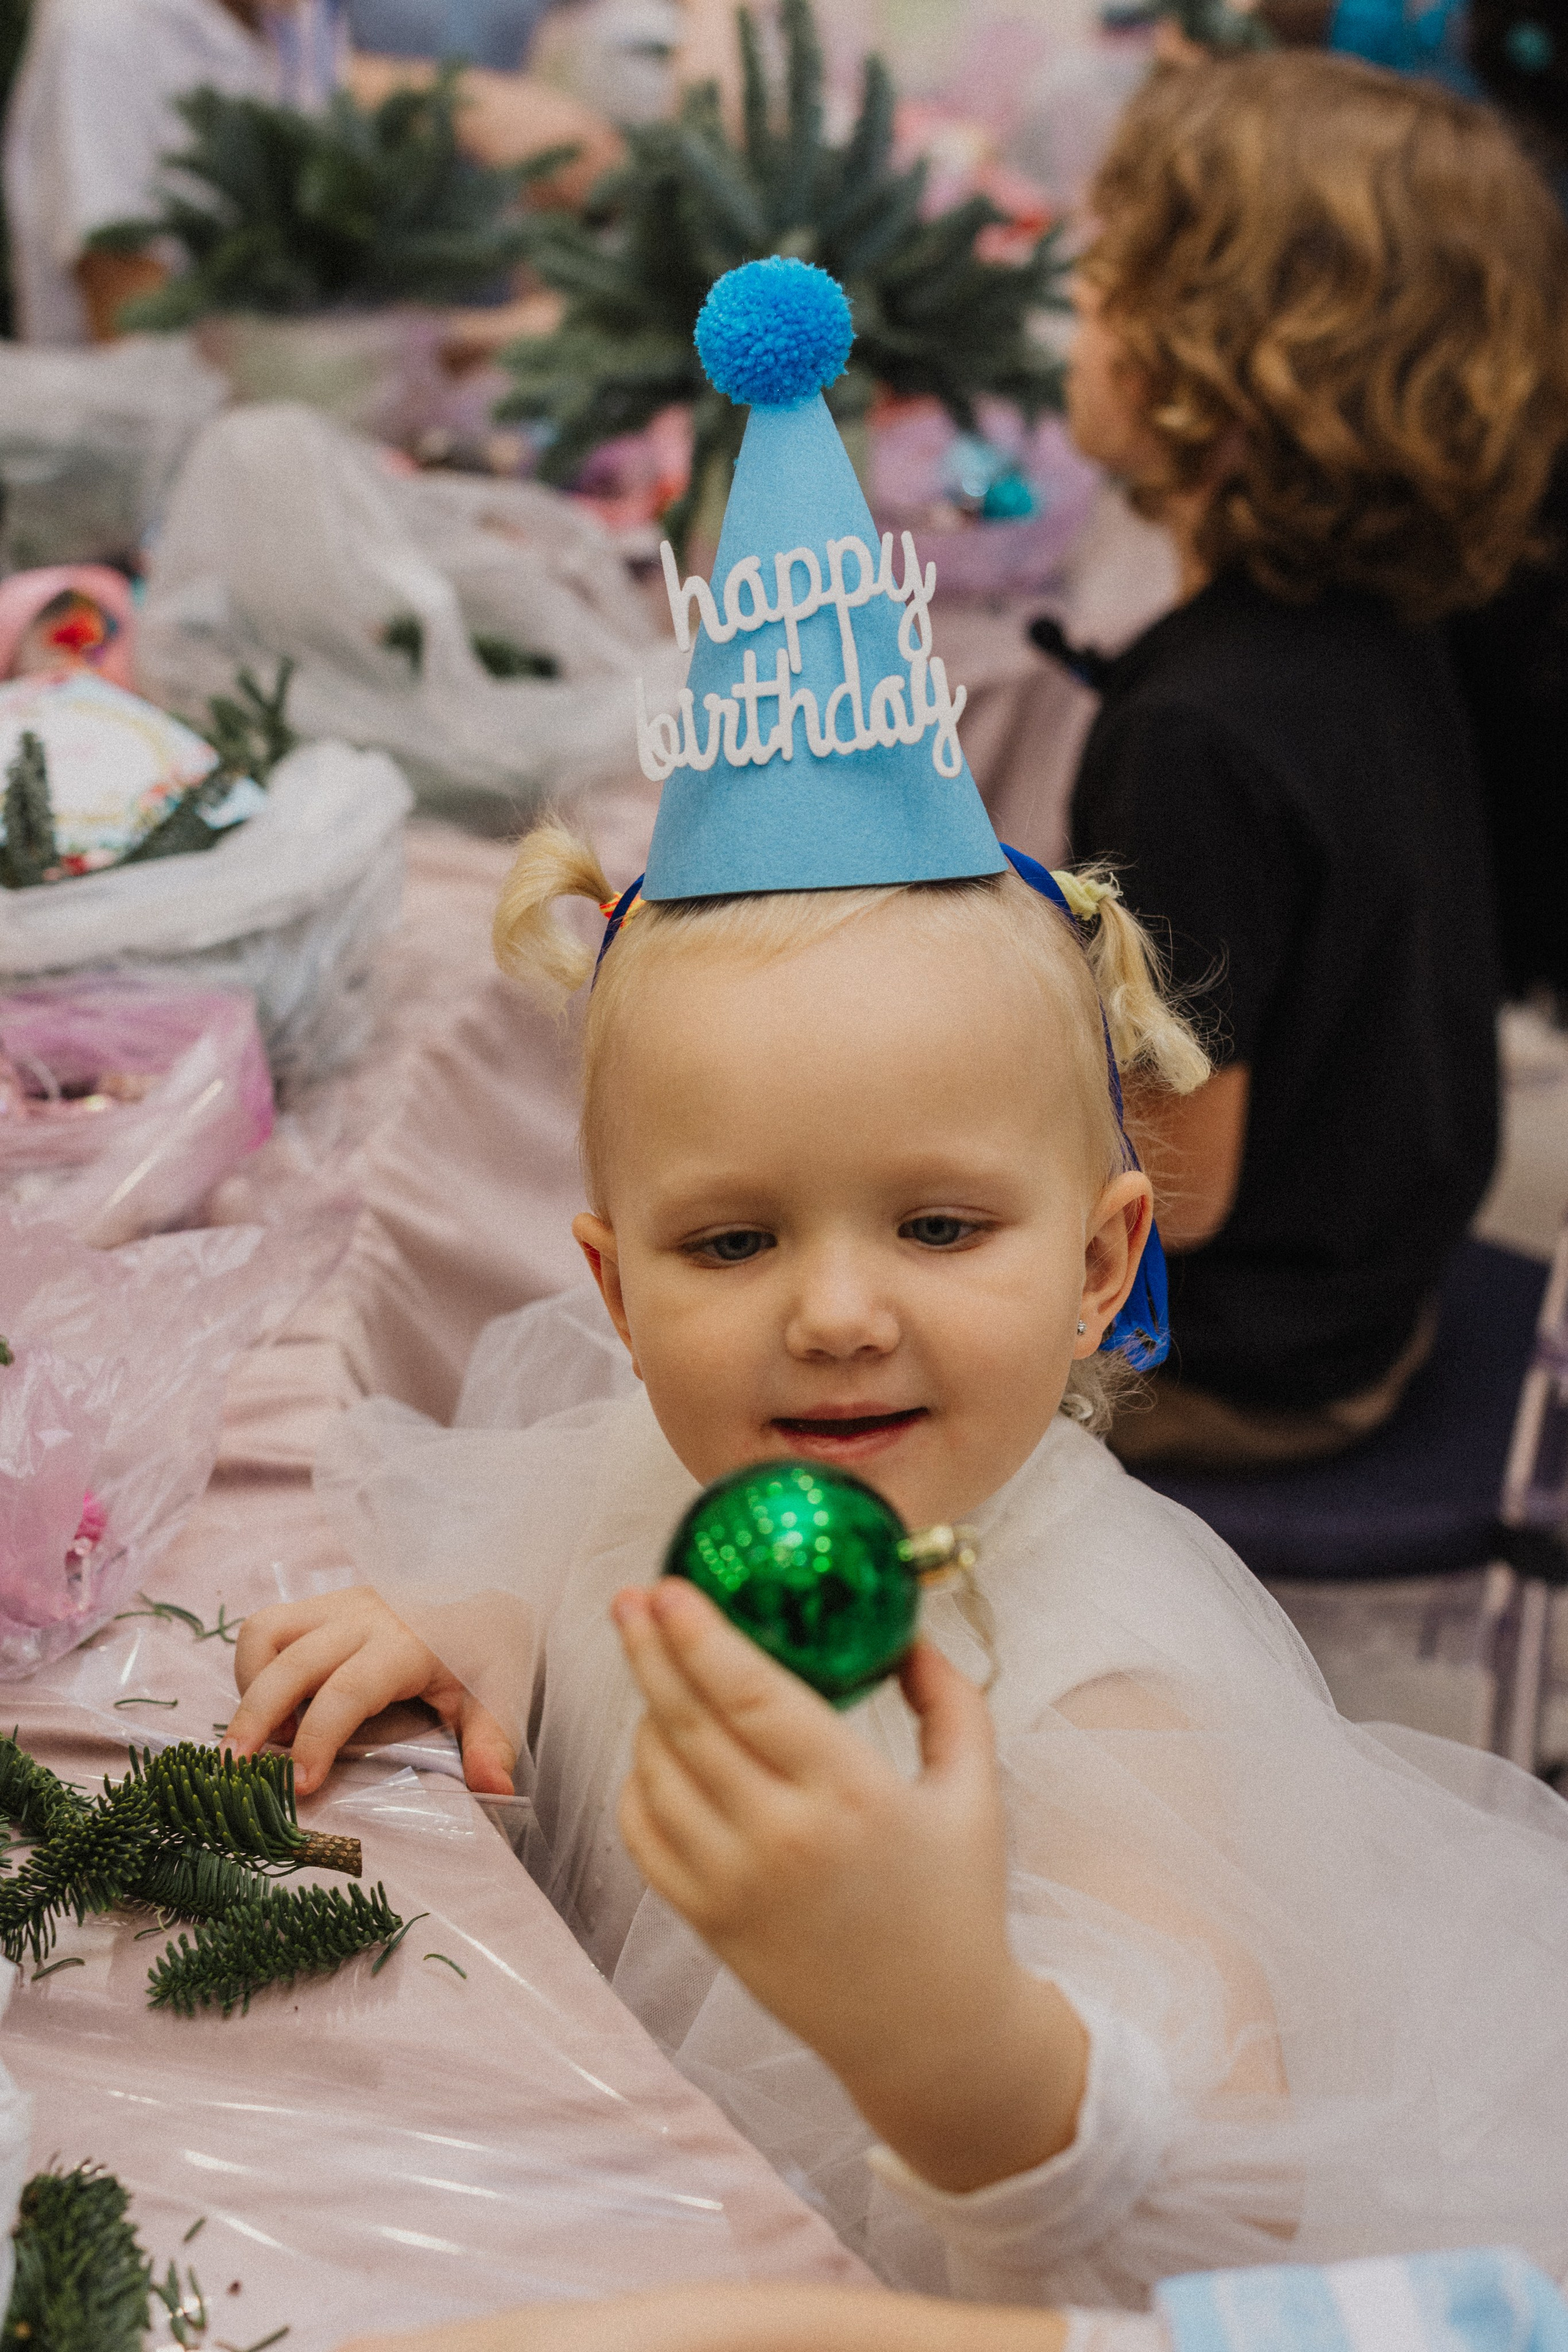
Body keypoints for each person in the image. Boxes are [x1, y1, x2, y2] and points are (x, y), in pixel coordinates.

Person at [230, 257, 1568, 2310]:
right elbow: (565, 1565)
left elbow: (1221, 2230)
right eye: (732, 1239)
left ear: (1107, 1252)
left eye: (941, 1228)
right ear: (608, 1274)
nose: (833, 1314)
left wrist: (964, 2053)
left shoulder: (1107, 1678)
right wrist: (483, 1624)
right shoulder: (638, 1462)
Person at [1041, 52, 1568, 1471]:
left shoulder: (1197, 735)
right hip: (1361, 1283)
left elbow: (1183, 1189)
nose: (1071, 309)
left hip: (1261, 1358)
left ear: (1215, 374)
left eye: (1103, 279)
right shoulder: (1372, 624)